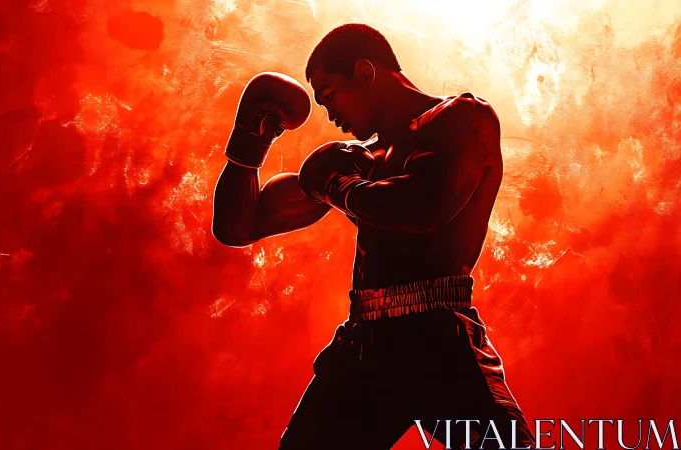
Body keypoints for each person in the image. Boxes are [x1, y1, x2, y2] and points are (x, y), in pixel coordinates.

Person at [211, 23, 536, 450]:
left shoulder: (462, 119)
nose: (329, 114)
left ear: (365, 72)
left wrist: (339, 187)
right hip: (364, 347)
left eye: (329, 94)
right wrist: (250, 141)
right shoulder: (355, 160)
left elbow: (422, 209)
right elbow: (237, 227)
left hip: (441, 339)